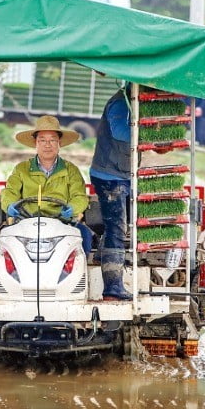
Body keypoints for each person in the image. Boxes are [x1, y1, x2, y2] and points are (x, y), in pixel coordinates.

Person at [0, 115, 92, 254]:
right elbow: (9, 192)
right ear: (35, 143)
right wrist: (9, 205)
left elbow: (79, 196)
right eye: (42, 140)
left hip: (61, 223)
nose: (47, 145)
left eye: (52, 140)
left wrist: (72, 208)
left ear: (59, 143)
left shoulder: (71, 170)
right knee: (3, 241)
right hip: (27, 222)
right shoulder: (21, 168)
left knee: (84, 234)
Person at [89, 85, 133, 301]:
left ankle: (101, 255)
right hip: (109, 176)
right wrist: (150, 131)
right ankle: (113, 287)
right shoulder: (120, 103)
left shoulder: (132, 102)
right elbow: (121, 132)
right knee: (117, 227)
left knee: (121, 223)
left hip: (123, 174)